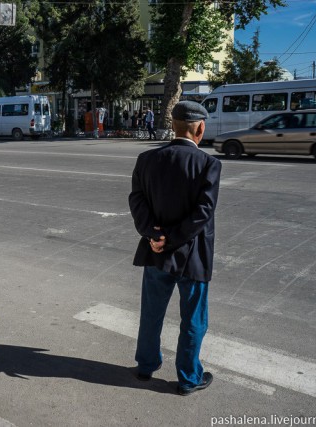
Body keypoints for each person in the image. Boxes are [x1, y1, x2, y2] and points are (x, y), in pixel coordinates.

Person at [129, 100, 222, 396]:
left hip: (156, 253)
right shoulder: (208, 164)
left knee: (152, 313)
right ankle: (188, 378)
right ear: (200, 129)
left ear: (175, 126)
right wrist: (172, 238)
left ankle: (145, 366)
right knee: (193, 319)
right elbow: (203, 212)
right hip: (192, 256)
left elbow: (137, 200)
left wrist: (154, 235)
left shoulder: (147, 159)